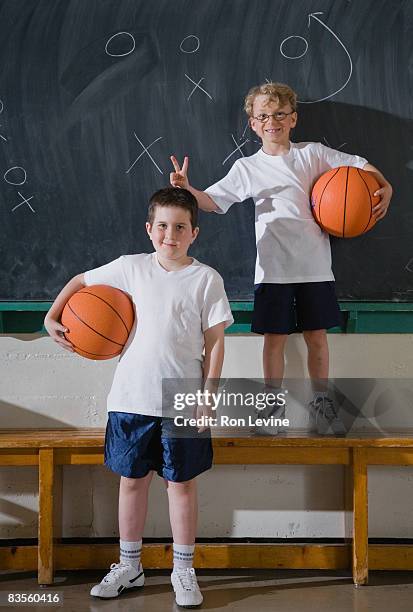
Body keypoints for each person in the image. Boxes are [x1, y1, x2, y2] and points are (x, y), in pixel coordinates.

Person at [44, 187, 233, 608]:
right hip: (131, 398)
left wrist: (209, 395)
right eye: (163, 226)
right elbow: (80, 281)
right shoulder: (130, 268)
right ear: (149, 229)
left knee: (180, 485)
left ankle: (183, 570)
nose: (171, 234)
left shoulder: (206, 279)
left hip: (182, 399)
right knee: (131, 482)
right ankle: (129, 565)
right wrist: (51, 315)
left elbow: (215, 343)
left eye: (180, 227)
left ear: (194, 233)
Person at [170, 82, 393, 435]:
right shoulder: (248, 168)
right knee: (273, 340)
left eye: (279, 114)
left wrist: (386, 184)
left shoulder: (313, 154)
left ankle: (322, 405)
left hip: (314, 268)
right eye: (263, 116)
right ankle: (271, 409)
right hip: (272, 270)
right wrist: (188, 190)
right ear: (253, 124)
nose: (271, 120)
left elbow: (362, 166)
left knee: (316, 337)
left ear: (293, 119)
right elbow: (214, 202)